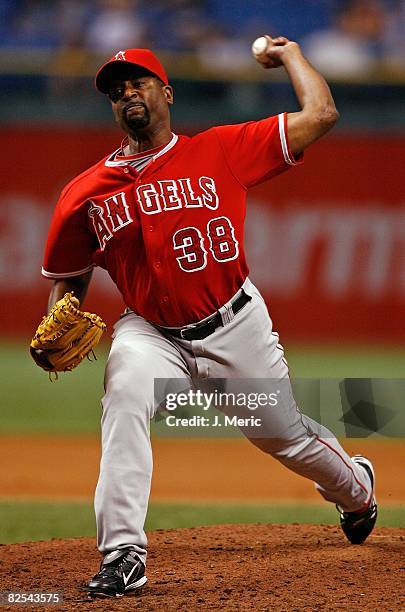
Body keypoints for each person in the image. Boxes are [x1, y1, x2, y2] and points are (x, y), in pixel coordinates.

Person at [38, 38, 377, 599]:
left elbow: (321, 114)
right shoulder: (84, 194)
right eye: (117, 92)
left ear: (166, 93)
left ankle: (356, 489)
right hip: (149, 330)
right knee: (124, 391)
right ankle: (124, 552)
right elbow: (68, 279)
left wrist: (290, 55)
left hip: (234, 323)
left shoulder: (222, 149)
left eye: (138, 82)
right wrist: (54, 324)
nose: (127, 94)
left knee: (285, 438)